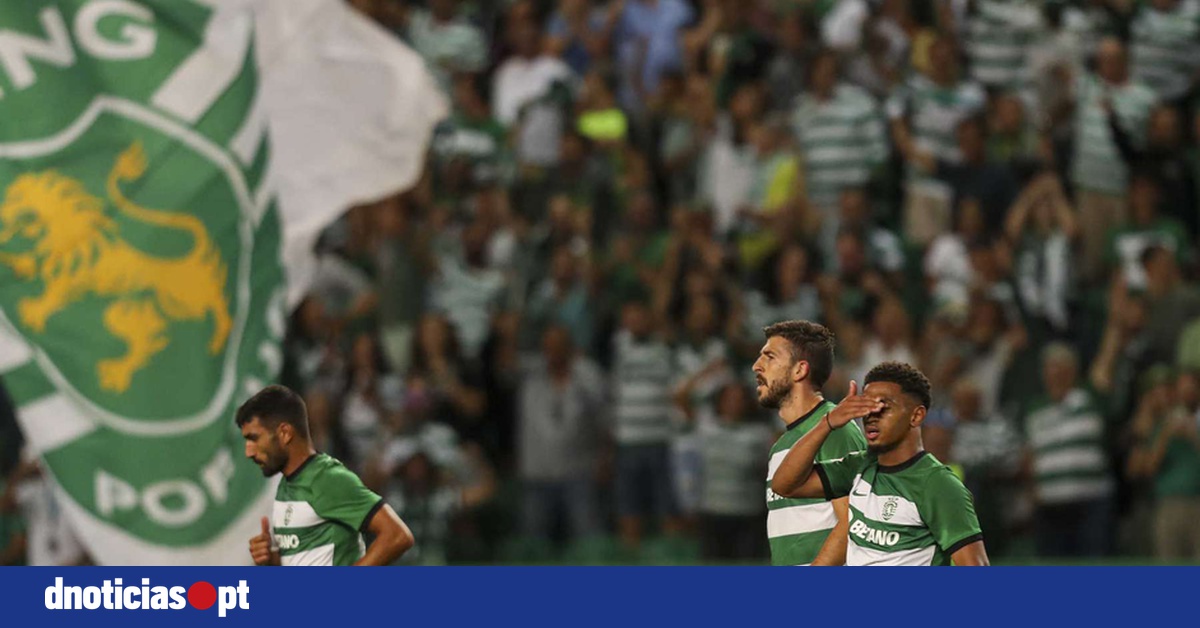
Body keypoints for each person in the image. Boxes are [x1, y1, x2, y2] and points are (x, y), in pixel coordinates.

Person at [770, 362, 990, 566]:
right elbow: (785, 485)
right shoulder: (859, 466)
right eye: (866, 405)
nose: (872, 414)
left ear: (916, 416)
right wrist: (827, 423)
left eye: (884, 406)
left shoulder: (937, 484)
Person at [238, 385, 415, 566]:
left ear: (284, 433)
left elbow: (397, 535)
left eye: (254, 438)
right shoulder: (287, 483)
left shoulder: (328, 479)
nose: (248, 452)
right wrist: (271, 559)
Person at [754, 320, 867, 566]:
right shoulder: (782, 444)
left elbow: (855, 522)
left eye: (769, 357)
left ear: (799, 370)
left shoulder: (836, 429)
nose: (756, 366)